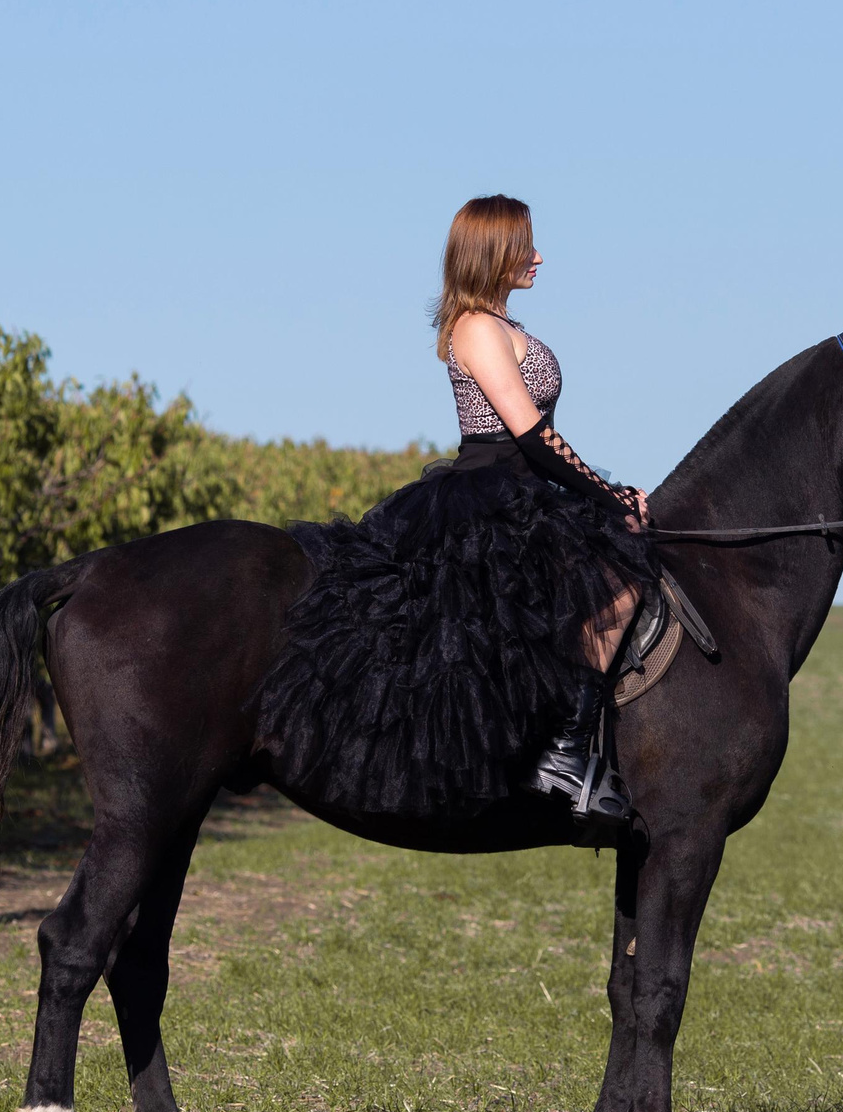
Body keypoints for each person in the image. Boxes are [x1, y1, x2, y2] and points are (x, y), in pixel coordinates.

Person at [253, 195, 656, 827]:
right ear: (496, 251)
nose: (539, 256)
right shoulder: (475, 326)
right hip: (488, 496)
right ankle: (564, 754)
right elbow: (528, 433)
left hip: (525, 493)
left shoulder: (505, 325)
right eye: (527, 246)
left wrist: (603, 492)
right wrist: (609, 499)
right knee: (618, 580)